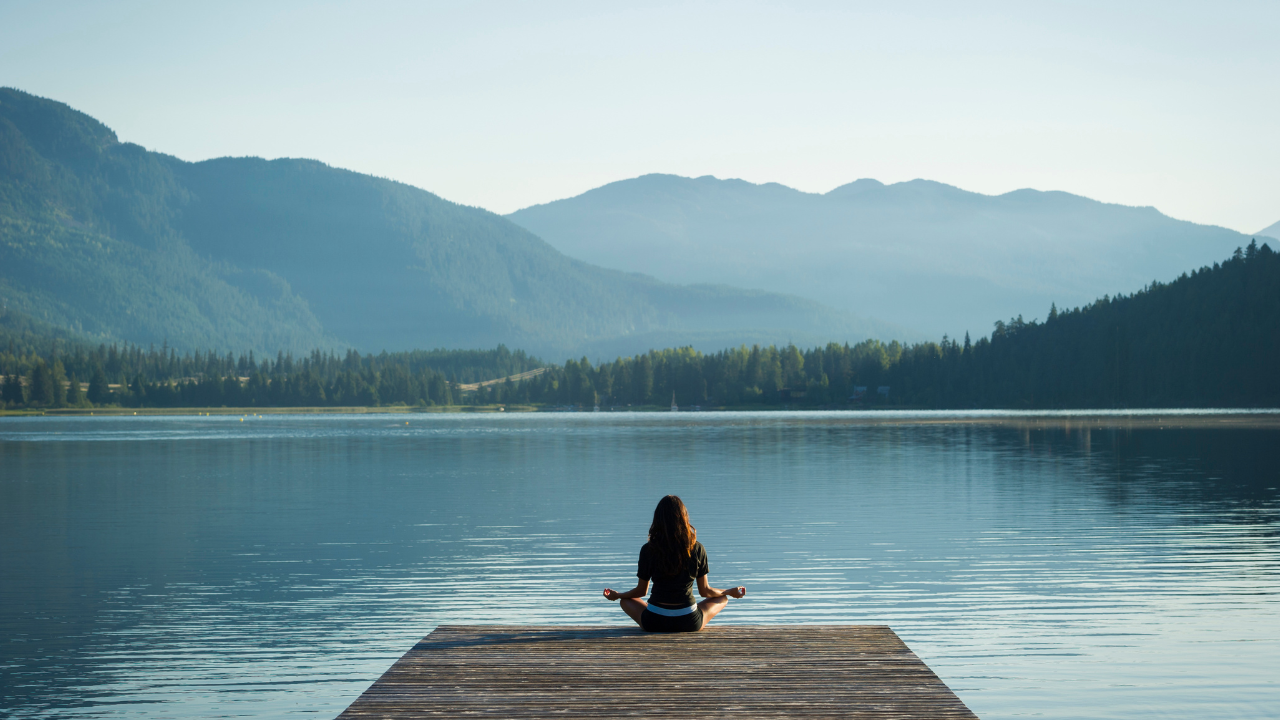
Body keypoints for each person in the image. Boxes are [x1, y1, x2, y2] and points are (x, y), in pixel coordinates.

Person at [603, 495, 746, 632]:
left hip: (654, 621)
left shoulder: (648, 549)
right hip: (689, 621)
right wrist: (729, 592)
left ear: (657, 520)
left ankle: (654, 612)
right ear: (684, 518)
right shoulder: (696, 548)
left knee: (625, 601)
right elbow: (705, 591)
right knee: (722, 598)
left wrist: (618, 595)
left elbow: (641, 591)